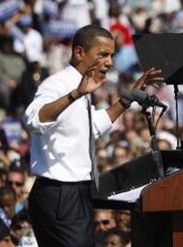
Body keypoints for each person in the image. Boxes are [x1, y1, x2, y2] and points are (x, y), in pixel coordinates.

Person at [23, 25, 162, 247]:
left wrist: (128, 99)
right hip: (59, 193)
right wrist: (76, 94)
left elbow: (90, 128)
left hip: (78, 191)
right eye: (103, 55)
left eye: (112, 55)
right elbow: (33, 119)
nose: (109, 62)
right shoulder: (59, 84)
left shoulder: (84, 88)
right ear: (79, 53)